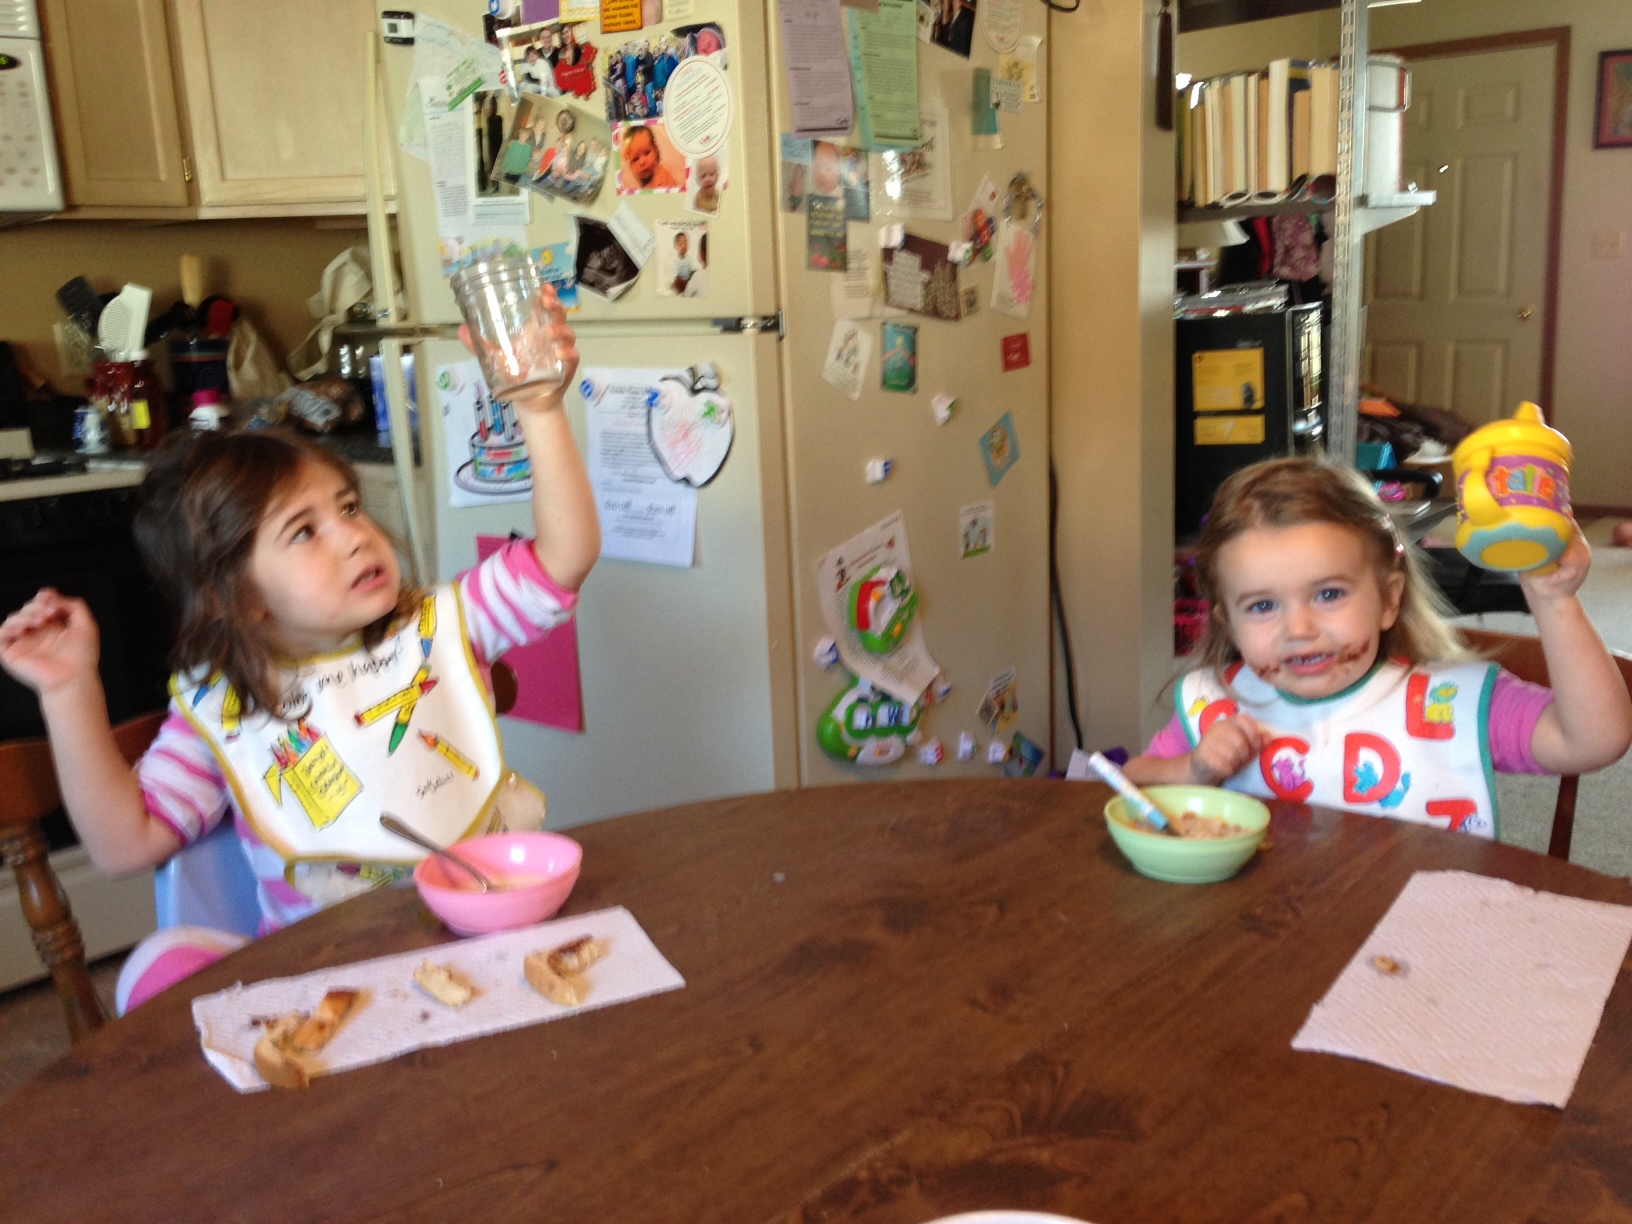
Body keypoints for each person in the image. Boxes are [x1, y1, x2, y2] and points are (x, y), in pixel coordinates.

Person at [0, 291, 599, 1013]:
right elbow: (126, 845)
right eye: (304, 531)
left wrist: (538, 408)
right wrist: (70, 693)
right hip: (330, 985)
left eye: (348, 507)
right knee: (162, 968)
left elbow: (564, 556)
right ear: (238, 595)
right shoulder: (227, 703)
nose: (354, 535)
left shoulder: (444, 626)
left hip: (491, 942)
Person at [1122, 458, 1632, 837]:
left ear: (1389, 600)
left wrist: (1554, 602)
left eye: (1328, 594)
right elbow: (1132, 787)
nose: (1298, 628)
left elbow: (1596, 740)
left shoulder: (1448, 704)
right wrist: (1193, 770)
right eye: (1262, 606)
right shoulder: (1216, 705)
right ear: (1228, 625)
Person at [620, 123, 677, 190]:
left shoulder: (661, 177)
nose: (642, 162)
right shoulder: (636, 183)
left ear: (655, 149)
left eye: (647, 152)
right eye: (635, 159)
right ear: (630, 165)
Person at [670, 230, 697, 296]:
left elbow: (691, 270)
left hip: (688, 280)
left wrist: (693, 274)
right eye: (680, 244)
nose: (683, 246)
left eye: (685, 243)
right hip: (680, 281)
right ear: (675, 247)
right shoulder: (675, 260)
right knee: (675, 283)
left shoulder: (689, 258)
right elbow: (675, 275)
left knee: (695, 273)